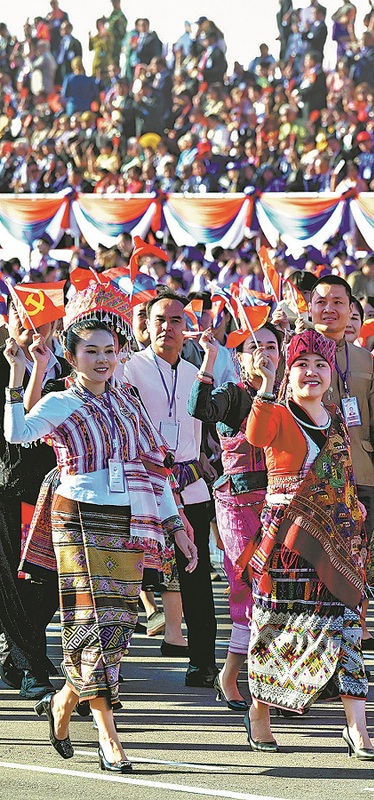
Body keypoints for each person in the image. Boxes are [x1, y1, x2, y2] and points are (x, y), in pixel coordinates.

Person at [4, 284, 198, 773]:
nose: (102, 359)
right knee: (91, 624)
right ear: (72, 355)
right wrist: (19, 373)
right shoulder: (61, 402)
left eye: (110, 351)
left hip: (126, 519)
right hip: (77, 518)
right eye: (91, 351)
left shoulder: (129, 400)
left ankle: (64, 702)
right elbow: (16, 433)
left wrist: (176, 525)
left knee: (117, 627)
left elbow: (154, 466)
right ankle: (109, 736)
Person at [242, 329, 374, 759]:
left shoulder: (337, 417)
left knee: (346, 628)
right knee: (274, 629)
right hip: (286, 543)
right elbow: (256, 437)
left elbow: (345, 481)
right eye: (302, 365)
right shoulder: (278, 412)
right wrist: (265, 385)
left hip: (336, 543)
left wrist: (355, 526)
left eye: (320, 365)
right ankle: (259, 711)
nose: (312, 372)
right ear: (289, 373)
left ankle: (358, 728)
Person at [310, 275, 374, 651]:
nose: (330, 308)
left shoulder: (364, 359)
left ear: (352, 310)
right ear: (310, 308)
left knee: (357, 560)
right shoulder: (296, 356)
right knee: (317, 566)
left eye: (338, 302)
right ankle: (318, 648)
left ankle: (351, 643)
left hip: (363, 473)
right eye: (322, 301)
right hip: (313, 478)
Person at [123, 291, 218, 687]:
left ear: (186, 327)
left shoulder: (197, 369)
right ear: (145, 324)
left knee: (196, 576)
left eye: (176, 320)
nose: (167, 327)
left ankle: (202, 662)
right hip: (142, 485)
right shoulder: (128, 369)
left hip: (189, 482)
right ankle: (106, 667)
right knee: (126, 577)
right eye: (159, 319)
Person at [186, 323, 283, 712]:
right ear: (240, 357)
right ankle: (232, 674)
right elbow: (198, 408)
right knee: (247, 583)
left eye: (273, 346)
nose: (265, 353)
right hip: (238, 502)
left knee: (278, 588)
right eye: (255, 347)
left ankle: (267, 677)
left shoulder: (289, 395)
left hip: (280, 500)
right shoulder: (233, 393)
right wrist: (209, 357)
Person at [0, 313, 65, 704]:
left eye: (42, 324)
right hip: (9, 488)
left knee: (52, 583)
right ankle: (31, 667)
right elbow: (16, 430)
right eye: (24, 323)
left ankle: (19, 656)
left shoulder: (69, 367)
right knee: (17, 581)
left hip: (56, 488)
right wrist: (19, 372)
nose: (33, 332)